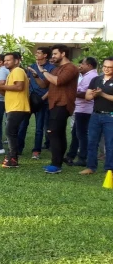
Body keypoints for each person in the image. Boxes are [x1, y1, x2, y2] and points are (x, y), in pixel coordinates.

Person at [29, 44, 78, 174]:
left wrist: (43, 71)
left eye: (55, 54)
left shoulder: (71, 68)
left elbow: (58, 81)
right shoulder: (56, 69)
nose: (53, 56)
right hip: (54, 104)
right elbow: (45, 84)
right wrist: (36, 75)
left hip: (63, 104)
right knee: (59, 134)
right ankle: (58, 162)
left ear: (63, 54)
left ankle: (55, 164)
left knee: (53, 133)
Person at [0, 52, 29, 168]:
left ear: (17, 61)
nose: (6, 62)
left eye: (9, 60)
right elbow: (7, 91)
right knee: (11, 132)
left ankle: (13, 158)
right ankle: (11, 156)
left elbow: (19, 87)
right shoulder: (11, 73)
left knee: (10, 132)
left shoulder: (18, 71)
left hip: (18, 106)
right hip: (13, 106)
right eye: (5, 60)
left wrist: (1, 87)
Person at [82, 58, 113, 175]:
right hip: (96, 114)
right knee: (92, 142)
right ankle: (91, 167)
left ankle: (109, 169)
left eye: (109, 67)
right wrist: (94, 94)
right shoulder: (96, 79)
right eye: (105, 66)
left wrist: (102, 94)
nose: (106, 69)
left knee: (110, 144)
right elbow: (87, 97)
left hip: (110, 116)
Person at [66, 57, 97, 167]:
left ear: (89, 66)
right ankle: (71, 155)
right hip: (80, 108)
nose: (80, 66)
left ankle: (82, 158)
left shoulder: (91, 77)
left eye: (82, 64)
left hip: (85, 109)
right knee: (75, 133)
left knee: (81, 134)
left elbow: (86, 95)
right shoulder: (87, 76)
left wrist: (71, 92)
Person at [26, 47, 55, 160]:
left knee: (39, 127)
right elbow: (28, 82)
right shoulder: (32, 67)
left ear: (45, 55)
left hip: (43, 101)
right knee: (23, 125)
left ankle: (36, 151)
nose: (36, 54)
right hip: (30, 99)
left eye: (39, 53)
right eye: (36, 52)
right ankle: (18, 148)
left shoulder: (51, 68)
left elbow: (52, 86)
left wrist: (43, 98)